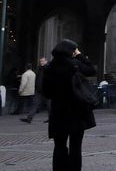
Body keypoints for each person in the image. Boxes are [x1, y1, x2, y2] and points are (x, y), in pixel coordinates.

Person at [43, 40, 96, 171]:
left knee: (59, 146)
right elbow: (91, 70)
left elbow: (46, 92)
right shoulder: (75, 65)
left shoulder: (49, 68)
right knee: (75, 146)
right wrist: (79, 55)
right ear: (71, 51)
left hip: (58, 112)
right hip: (76, 111)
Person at [20, 56, 48, 123]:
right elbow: (38, 78)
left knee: (49, 105)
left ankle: (52, 118)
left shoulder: (48, 68)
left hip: (46, 89)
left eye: (43, 61)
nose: (41, 62)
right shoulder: (39, 68)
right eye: (40, 61)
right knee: (35, 103)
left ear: (46, 61)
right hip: (39, 89)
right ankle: (29, 118)